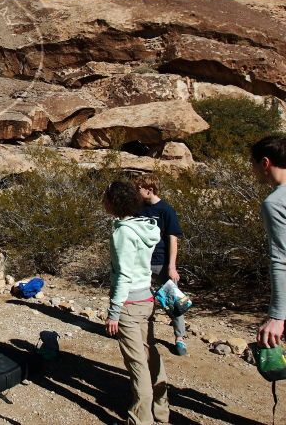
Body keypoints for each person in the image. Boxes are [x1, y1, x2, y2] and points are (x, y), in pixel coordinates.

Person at [103, 180, 169, 425]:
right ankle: (162, 410)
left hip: (129, 303)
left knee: (137, 362)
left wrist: (114, 312)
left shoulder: (123, 232)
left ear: (113, 202)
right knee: (150, 353)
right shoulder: (145, 225)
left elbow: (123, 275)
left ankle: (141, 418)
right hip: (146, 297)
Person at [134, 173, 188, 356]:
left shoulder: (166, 210)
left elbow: (173, 239)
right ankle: (145, 335)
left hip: (161, 262)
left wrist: (171, 266)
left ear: (149, 190)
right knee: (144, 301)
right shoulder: (138, 209)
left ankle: (180, 338)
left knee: (174, 302)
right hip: (142, 263)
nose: (137, 192)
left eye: (139, 189)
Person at [250, 135, 286, 349]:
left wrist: (277, 315)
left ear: (265, 163)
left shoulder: (275, 202)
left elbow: (281, 258)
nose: (252, 171)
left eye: (252, 164)